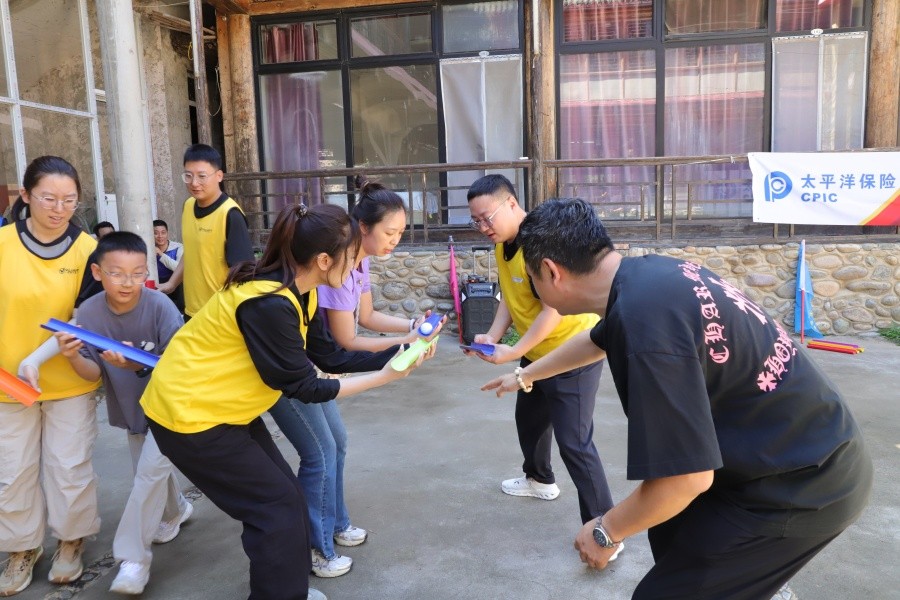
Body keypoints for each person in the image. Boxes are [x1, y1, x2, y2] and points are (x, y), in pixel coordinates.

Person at [484, 198, 874, 599]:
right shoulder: (647, 276)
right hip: (785, 447)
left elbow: (686, 478)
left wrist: (606, 530)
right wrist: (525, 374)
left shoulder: (646, 329)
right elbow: (595, 339)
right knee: (669, 531)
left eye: (531, 278)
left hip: (802, 484)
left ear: (551, 272)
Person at [140, 203, 437, 600]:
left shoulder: (302, 293)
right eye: (352, 255)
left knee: (286, 500)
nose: (357, 265)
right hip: (190, 417)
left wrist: (403, 350)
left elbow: (331, 357)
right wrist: (385, 377)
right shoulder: (269, 302)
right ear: (324, 260)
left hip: (225, 411)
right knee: (274, 508)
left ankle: (286, 589)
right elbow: (304, 387)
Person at [269, 177, 438, 578]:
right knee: (320, 454)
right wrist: (396, 357)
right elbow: (339, 347)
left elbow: (355, 329)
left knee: (335, 444)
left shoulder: (340, 270)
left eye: (401, 232)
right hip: (292, 375)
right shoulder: (306, 284)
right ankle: (317, 548)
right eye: (390, 232)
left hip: (306, 369)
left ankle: (334, 526)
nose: (396, 240)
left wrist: (410, 334)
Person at [464, 175, 615, 528]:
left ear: (512, 204)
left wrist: (514, 350)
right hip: (536, 351)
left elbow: (553, 310)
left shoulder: (541, 245)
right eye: (476, 221)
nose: (483, 227)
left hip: (573, 352)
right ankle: (540, 480)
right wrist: (492, 336)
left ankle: (605, 527)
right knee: (530, 422)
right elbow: (509, 296)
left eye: (487, 218)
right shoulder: (503, 244)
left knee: (575, 442)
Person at [53, 231, 193, 595]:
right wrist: (71, 356)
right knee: (149, 472)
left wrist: (136, 364)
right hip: (133, 409)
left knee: (146, 476)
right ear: (98, 272)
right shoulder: (89, 312)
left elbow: (183, 366)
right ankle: (176, 510)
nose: (127, 282)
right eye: (116, 273)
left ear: (146, 271)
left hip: (171, 408)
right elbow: (92, 373)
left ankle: (134, 561)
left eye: (136, 273)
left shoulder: (160, 307)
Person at [0, 156, 103, 596]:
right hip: (8, 382)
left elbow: (85, 317)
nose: (59, 209)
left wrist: (39, 358)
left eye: (69, 200)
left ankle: (70, 540)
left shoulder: (87, 251)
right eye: (48, 199)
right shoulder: (3, 243)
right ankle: (22, 547)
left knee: (69, 467)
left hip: (69, 381)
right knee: (13, 471)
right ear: (25, 195)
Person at [157, 144, 253, 319]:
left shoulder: (230, 214)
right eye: (188, 176)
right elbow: (191, 253)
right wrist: (171, 284)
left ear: (219, 176)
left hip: (219, 315)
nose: (194, 183)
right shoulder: (188, 206)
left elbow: (243, 274)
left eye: (202, 176)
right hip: (192, 311)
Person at [152, 219, 185, 313]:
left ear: (167, 233)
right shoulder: (149, 248)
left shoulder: (178, 247)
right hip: (158, 285)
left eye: (163, 232)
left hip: (177, 286)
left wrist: (161, 254)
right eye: (156, 233)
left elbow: (178, 268)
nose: (160, 236)